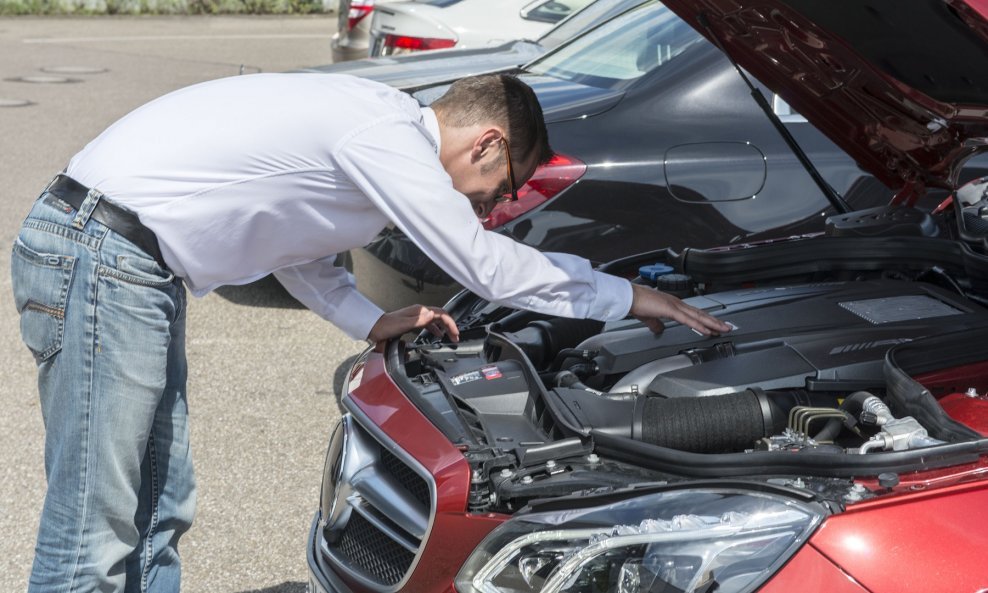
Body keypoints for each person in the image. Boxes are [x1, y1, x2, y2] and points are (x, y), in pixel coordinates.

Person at [10, 72, 730, 593]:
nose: (495, 205)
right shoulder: (386, 136)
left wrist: (371, 318)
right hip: (102, 253)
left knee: (161, 499)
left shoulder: (371, 127)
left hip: (127, 264)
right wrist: (629, 296)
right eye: (505, 187)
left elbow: (303, 253)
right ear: (487, 145)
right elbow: (485, 267)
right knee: (98, 514)